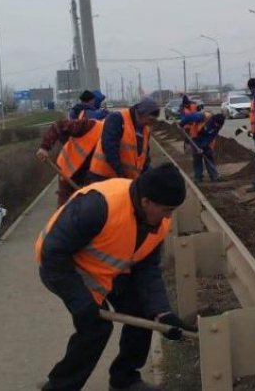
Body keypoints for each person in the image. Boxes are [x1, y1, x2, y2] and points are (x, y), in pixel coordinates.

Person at [35, 163, 196, 391]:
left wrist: (162, 312)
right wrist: (81, 302)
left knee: (142, 309)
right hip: (65, 269)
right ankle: (60, 386)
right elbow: (53, 253)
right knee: (95, 327)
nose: (169, 216)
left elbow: (147, 267)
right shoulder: (98, 205)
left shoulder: (158, 219)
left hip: (109, 270)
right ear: (146, 201)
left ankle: (124, 380)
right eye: (166, 209)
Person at [36, 118, 104, 207]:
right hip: (67, 171)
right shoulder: (89, 126)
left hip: (87, 177)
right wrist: (45, 147)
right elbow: (59, 124)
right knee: (64, 208)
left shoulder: (115, 143)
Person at [88, 99, 160, 182]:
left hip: (125, 179)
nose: (150, 123)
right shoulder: (117, 119)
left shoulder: (146, 130)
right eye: (150, 120)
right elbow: (109, 149)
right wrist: (121, 173)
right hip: (103, 175)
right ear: (141, 114)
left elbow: (144, 157)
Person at [180, 110, 225, 182]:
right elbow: (189, 116)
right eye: (217, 124)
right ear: (214, 120)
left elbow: (212, 137)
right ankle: (198, 177)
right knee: (197, 158)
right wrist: (181, 124)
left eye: (219, 125)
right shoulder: (202, 117)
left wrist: (205, 145)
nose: (217, 126)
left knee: (209, 155)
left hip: (206, 141)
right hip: (196, 138)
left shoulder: (218, 126)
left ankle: (214, 175)